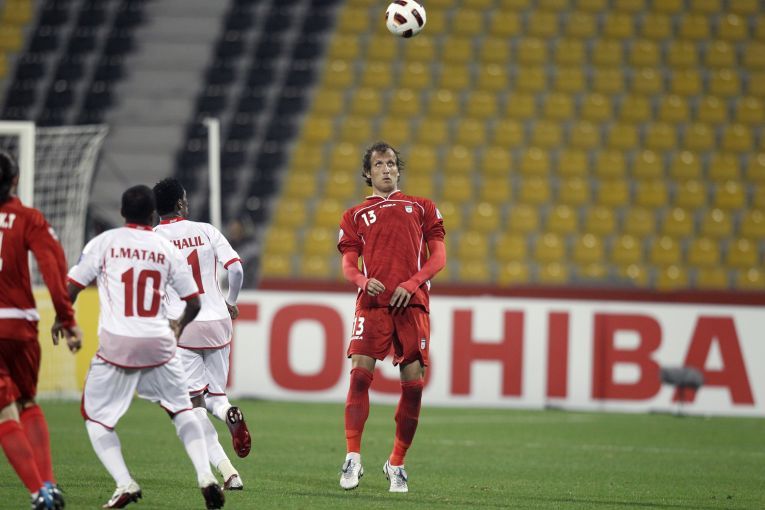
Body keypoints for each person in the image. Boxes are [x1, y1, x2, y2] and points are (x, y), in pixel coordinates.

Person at [64, 185, 225, 509]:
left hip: (117, 345)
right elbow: (194, 302)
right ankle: (206, 476)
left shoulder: (104, 242)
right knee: (182, 410)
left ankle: (124, 482)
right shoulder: (165, 248)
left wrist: (64, 321)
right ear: (152, 214)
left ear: (122, 213)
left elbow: (72, 286)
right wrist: (178, 326)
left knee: (96, 418)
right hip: (159, 342)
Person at [336, 141, 446, 493]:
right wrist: (362, 281)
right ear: (368, 173)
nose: (386, 169)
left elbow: (438, 257)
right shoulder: (354, 215)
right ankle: (353, 457)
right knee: (359, 378)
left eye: (391, 163)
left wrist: (413, 283)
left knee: (413, 387)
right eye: (379, 164)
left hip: (412, 305)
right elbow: (348, 264)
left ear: (398, 169)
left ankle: (396, 462)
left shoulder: (422, 206)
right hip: (372, 305)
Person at [152, 177, 250, 491]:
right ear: (181, 203)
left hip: (184, 325)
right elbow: (236, 269)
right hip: (218, 320)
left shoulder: (153, 240)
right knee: (217, 396)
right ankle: (228, 413)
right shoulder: (206, 230)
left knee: (194, 406)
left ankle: (228, 472)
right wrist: (231, 301)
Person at [0, 150, 81, 510]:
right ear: (15, 180)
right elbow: (52, 266)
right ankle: (48, 483)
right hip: (19, 326)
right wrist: (67, 318)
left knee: (4, 412)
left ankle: (39, 493)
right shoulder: (28, 218)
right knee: (26, 402)